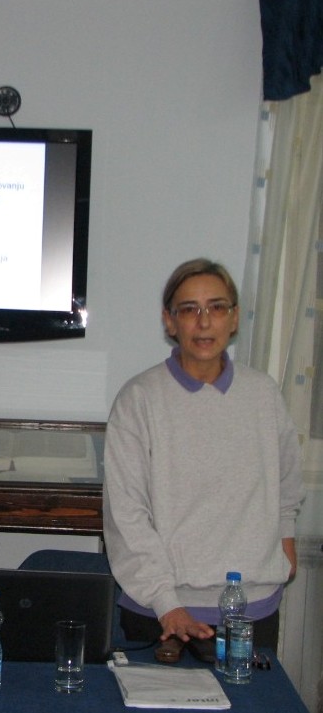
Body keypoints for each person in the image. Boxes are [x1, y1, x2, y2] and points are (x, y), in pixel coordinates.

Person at [102, 258, 305, 663]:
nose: (204, 321)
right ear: (169, 321)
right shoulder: (139, 399)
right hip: (161, 613)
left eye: (216, 307)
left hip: (252, 608)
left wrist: (285, 545)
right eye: (189, 309)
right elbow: (126, 514)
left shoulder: (263, 394)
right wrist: (167, 603)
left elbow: (286, 482)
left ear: (234, 318)